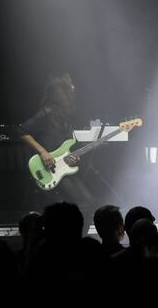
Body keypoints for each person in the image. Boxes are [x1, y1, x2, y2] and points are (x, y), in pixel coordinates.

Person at [20, 73, 95, 212]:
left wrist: (73, 157)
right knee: (85, 201)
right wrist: (43, 152)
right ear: (61, 93)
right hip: (48, 168)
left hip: (61, 167)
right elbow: (22, 131)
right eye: (70, 86)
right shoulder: (47, 112)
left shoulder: (65, 116)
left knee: (79, 203)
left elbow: (64, 145)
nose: (74, 88)